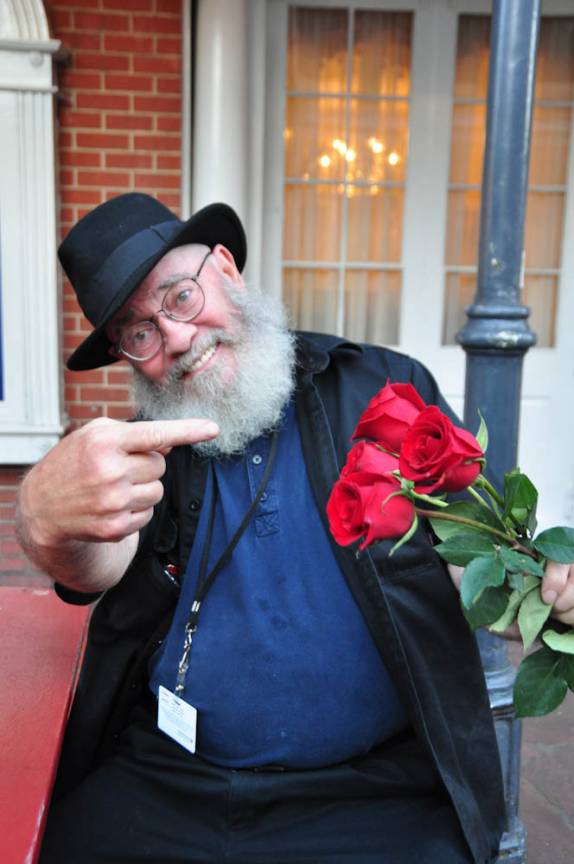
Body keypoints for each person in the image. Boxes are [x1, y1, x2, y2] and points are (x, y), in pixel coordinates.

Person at [16, 193, 574, 864]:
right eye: (139, 333)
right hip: (171, 783)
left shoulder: (384, 386)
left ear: (225, 268)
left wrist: (545, 597)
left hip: (373, 792)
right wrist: (41, 520)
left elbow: (472, 562)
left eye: (181, 298)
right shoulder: (136, 457)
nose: (178, 340)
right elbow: (93, 565)